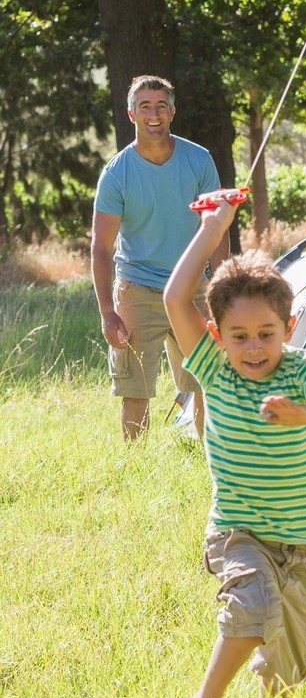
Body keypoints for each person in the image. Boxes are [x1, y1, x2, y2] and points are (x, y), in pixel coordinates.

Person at [162, 194, 306, 698]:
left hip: (303, 548)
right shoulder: (214, 373)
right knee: (252, 607)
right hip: (239, 534)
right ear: (216, 334)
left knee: (286, 670)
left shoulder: (300, 373)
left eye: (266, 333)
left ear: (288, 327)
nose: (253, 347)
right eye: (239, 335)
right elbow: (176, 297)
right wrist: (213, 227)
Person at [91, 75, 228, 440]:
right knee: (135, 391)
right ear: (131, 114)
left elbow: (217, 227)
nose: (154, 113)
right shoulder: (117, 173)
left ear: (173, 112)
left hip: (193, 288)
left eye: (161, 105)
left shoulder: (198, 160)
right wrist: (108, 311)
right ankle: (134, 473)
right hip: (138, 290)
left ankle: (212, 464)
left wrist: (218, 292)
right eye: (145, 106)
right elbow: (101, 248)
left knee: (205, 384)